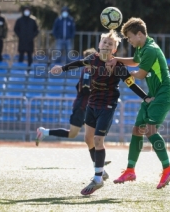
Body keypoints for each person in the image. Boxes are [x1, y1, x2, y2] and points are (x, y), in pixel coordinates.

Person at [48, 30, 153, 196]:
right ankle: (101, 170)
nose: (106, 45)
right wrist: (61, 68)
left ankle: (97, 178)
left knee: (98, 139)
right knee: (87, 138)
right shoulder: (93, 59)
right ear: (99, 45)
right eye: (104, 42)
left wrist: (146, 97)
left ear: (114, 50)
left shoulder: (117, 66)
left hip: (107, 105)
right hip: (92, 103)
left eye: (110, 44)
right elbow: (79, 63)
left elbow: (131, 84)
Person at [106, 17, 170, 189]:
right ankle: (130, 170)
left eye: (130, 37)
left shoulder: (151, 50)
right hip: (153, 96)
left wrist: (122, 72)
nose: (129, 41)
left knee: (149, 131)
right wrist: (118, 60)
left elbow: (140, 73)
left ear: (139, 34)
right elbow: (136, 61)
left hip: (164, 96)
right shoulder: (142, 47)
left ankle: (168, 168)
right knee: (137, 131)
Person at [35, 47, 111, 181]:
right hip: (83, 107)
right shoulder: (88, 70)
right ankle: (99, 166)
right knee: (80, 135)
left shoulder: (89, 70)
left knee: (86, 137)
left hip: (86, 106)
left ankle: (99, 166)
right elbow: (87, 89)